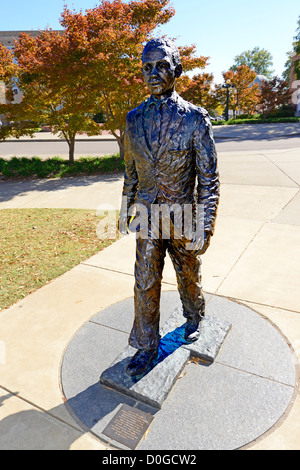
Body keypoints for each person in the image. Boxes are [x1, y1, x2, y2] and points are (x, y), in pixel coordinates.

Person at [119, 38, 220, 377]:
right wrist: (124, 211)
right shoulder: (133, 120)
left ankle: (195, 314)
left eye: (161, 65)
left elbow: (209, 178)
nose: (153, 73)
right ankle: (147, 346)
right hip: (148, 216)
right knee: (145, 280)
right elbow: (131, 172)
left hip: (183, 216)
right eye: (147, 67)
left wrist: (205, 226)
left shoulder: (194, 119)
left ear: (176, 69)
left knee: (187, 273)